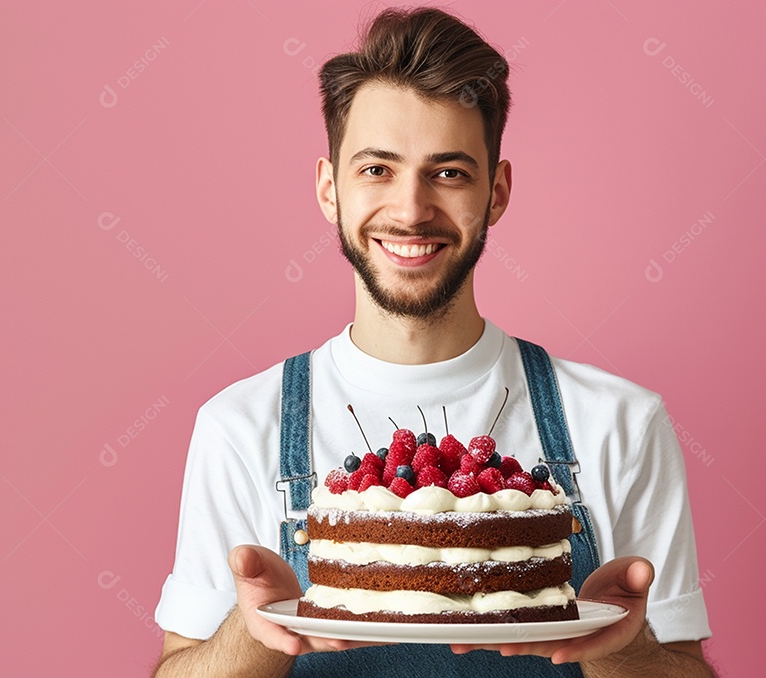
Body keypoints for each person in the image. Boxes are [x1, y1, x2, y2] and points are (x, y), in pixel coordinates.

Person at [152, 7, 714, 677]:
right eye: (376, 170)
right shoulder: (239, 428)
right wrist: (255, 631)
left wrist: (624, 650)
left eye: (448, 172)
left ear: (497, 191)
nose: (412, 209)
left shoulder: (622, 422)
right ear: (330, 189)